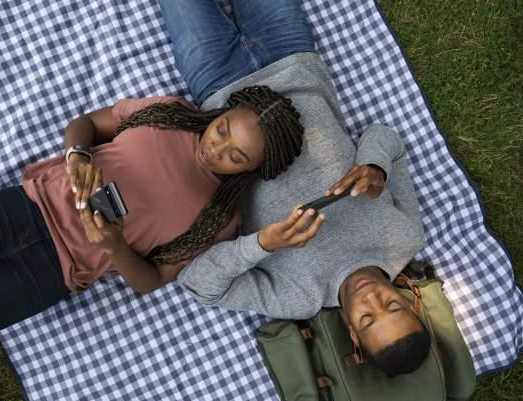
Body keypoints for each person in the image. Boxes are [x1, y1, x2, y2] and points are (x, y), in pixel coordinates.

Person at [0, 83, 309, 399]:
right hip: (17, 209)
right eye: (223, 131)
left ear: (253, 170)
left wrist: (114, 246)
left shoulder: (219, 220)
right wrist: (77, 156)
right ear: (219, 115)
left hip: (48, 274)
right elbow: (89, 124)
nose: (217, 149)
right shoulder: (169, 112)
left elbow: (151, 280)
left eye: (236, 157)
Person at [157, 0, 432, 376]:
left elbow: (199, 285)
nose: (372, 298)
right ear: (409, 302)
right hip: (292, 57)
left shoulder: (299, 297)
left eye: (368, 319)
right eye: (392, 306)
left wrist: (262, 244)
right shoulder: (404, 238)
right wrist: (375, 167)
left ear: (352, 334)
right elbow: (387, 140)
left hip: (220, 90)